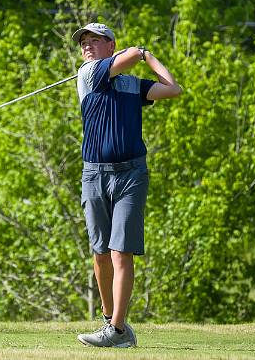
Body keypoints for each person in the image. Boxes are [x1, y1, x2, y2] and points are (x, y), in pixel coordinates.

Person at [72, 22, 182, 348]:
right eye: (84, 42)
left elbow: (172, 88)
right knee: (101, 253)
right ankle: (111, 320)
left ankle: (118, 330)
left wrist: (148, 57)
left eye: (96, 40)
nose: (88, 46)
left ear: (111, 45)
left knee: (122, 252)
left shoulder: (133, 86)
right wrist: (139, 52)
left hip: (131, 175)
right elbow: (132, 55)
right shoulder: (88, 73)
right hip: (94, 174)